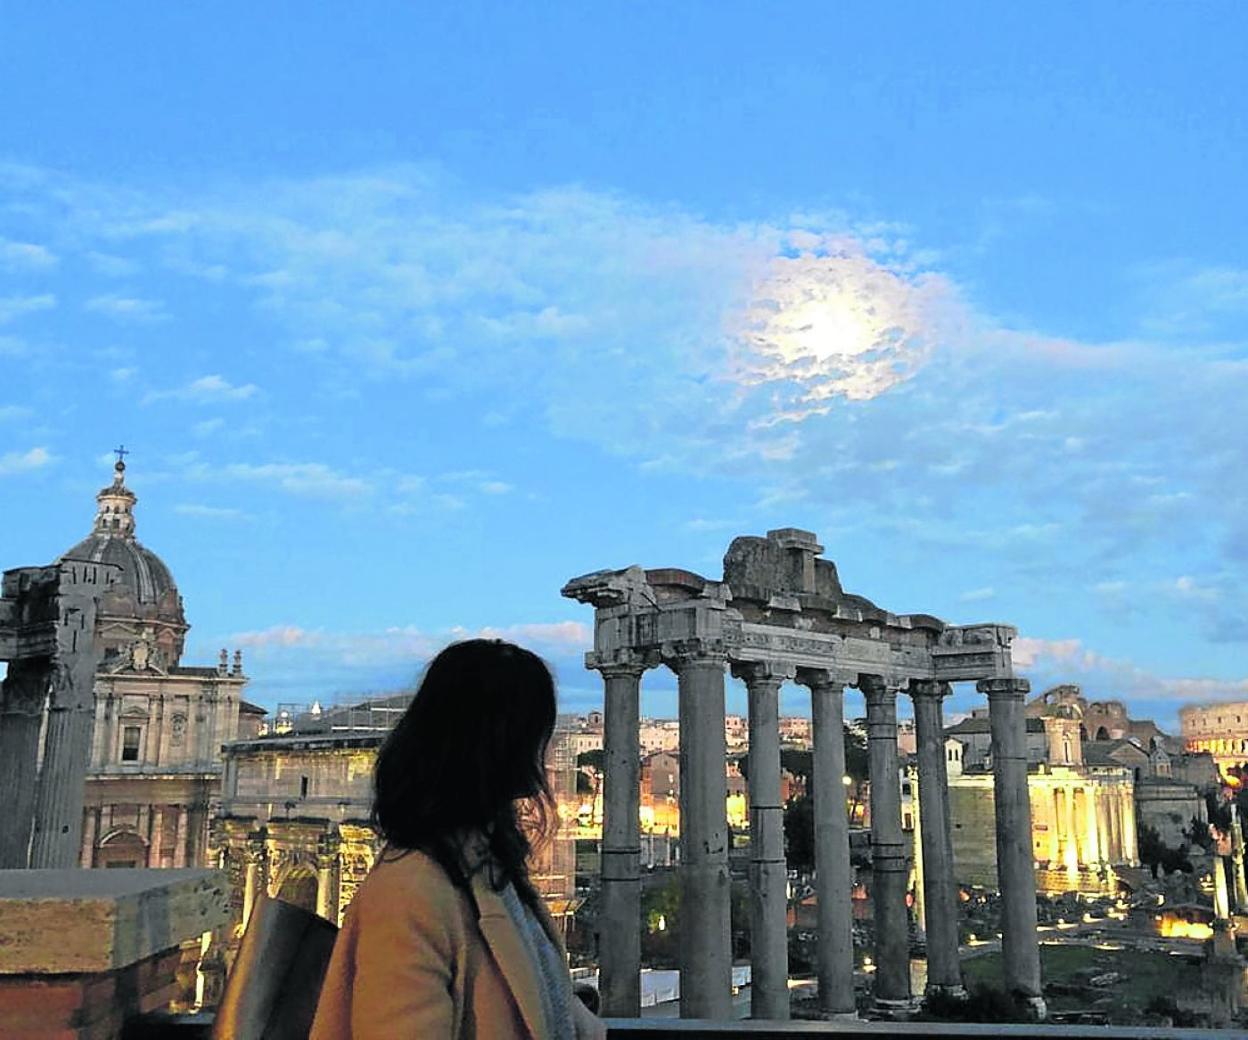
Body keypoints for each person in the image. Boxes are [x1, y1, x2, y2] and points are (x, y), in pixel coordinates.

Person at [310, 639, 606, 1039]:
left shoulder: (481, 866)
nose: (547, 751)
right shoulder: (412, 892)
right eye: (537, 732)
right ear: (498, 741)